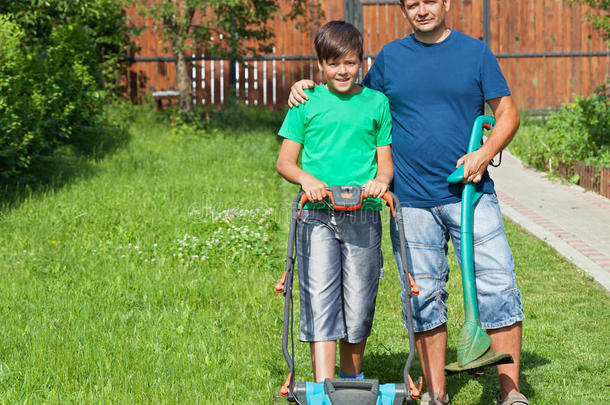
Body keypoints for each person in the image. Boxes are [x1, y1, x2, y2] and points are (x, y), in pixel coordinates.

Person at [288, 1, 526, 404]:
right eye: (412, 3)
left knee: (498, 285)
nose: (422, 10)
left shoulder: (475, 53)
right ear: (403, 9)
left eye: (429, 1)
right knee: (424, 296)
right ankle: (436, 394)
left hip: (470, 192)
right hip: (412, 200)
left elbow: (508, 114)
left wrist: (483, 155)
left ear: (446, 3)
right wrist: (304, 87)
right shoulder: (390, 59)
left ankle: (510, 393)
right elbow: (353, 98)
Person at [276, 20, 394, 382]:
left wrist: (379, 181)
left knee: (359, 302)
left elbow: (385, 166)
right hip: (316, 215)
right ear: (320, 65)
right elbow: (284, 162)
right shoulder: (306, 102)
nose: (342, 71)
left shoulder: (376, 103)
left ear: (361, 62)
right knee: (320, 297)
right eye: (333, 63)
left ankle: (350, 382)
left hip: (363, 214)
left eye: (350, 62)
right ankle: (325, 387)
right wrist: (306, 180)